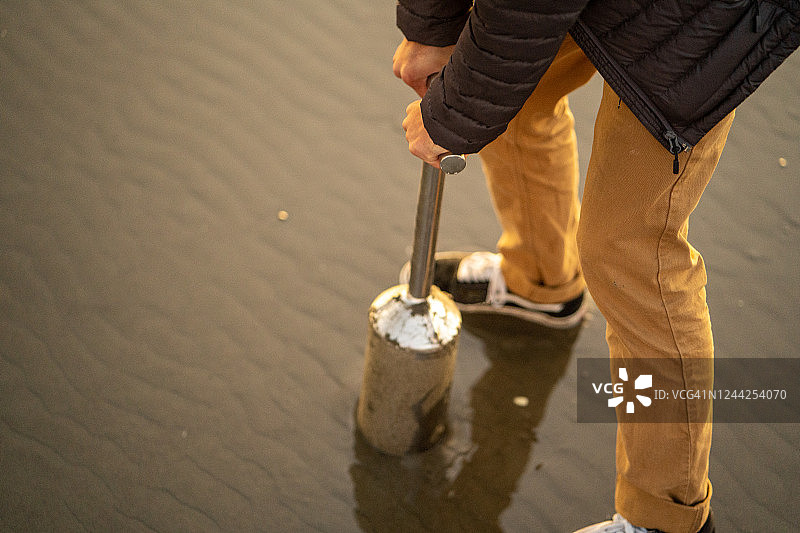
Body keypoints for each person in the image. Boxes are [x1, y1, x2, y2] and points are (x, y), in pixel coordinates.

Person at [391, 1, 800, 532]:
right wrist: (434, 26)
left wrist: (457, 109)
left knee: (629, 250)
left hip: (696, 23)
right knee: (513, 100)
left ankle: (664, 516)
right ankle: (541, 283)